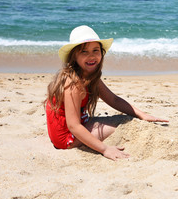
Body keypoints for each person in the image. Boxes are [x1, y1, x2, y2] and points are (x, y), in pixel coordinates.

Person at [45, 25, 168, 161]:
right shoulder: (73, 84)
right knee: (121, 124)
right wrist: (105, 149)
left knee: (128, 118)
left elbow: (113, 100)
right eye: (84, 52)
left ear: (102, 53)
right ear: (74, 57)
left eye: (95, 50)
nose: (91, 56)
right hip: (67, 137)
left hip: (75, 125)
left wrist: (142, 115)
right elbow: (73, 126)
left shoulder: (90, 77)